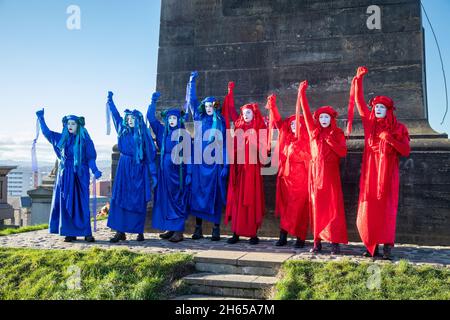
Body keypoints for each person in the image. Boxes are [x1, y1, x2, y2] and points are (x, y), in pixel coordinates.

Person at [348, 67, 411, 260]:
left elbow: (405, 150)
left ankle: (386, 247)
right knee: (369, 208)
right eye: (376, 107)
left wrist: (390, 139)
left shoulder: (399, 128)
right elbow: (359, 102)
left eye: (382, 108)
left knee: (386, 208)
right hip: (370, 170)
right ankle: (370, 245)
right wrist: (358, 80)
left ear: (389, 110)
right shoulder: (370, 122)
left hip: (388, 173)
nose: (378, 110)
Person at [35, 109, 102, 242]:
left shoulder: (85, 141)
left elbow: (90, 158)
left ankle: (86, 232)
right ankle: (69, 232)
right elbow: (47, 133)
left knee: (81, 203)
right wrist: (41, 119)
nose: (70, 126)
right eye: (68, 124)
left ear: (78, 125)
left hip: (80, 174)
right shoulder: (61, 138)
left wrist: (95, 170)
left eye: (73, 123)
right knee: (66, 203)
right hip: (65, 175)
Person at [298, 80, 348, 254]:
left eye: (327, 117)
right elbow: (304, 112)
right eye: (321, 117)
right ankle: (317, 242)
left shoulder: (337, 133)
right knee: (316, 208)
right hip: (316, 176)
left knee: (333, 208)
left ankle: (334, 242)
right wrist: (302, 93)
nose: (324, 120)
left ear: (332, 119)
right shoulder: (314, 132)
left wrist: (330, 141)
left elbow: (342, 152)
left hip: (331, 176)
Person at [106, 92, 157, 243]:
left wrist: (153, 174)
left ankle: (139, 231)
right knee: (120, 198)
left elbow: (149, 154)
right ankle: (119, 231)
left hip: (138, 169)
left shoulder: (143, 135)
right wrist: (110, 102)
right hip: (123, 168)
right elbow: (115, 116)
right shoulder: (122, 130)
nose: (129, 121)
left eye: (132, 119)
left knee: (137, 199)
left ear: (138, 120)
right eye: (128, 119)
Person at [185, 71, 229, 241]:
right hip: (199, 163)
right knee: (198, 195)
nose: (209, 108)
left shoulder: (221, 122)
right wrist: (192, 83)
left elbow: (225, 143)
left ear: (215, 107)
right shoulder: (199, 117)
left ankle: (216, 228)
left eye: (212, 106)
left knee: (215, 195)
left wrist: (226, 164)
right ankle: (198, 228)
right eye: (207, 106)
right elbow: (192, 101)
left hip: (215, 163)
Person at [265, 94, 311, 248]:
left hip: (301, 179)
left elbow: (309, 158)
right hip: (286, 178)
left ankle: (300, 237)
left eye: (296, 124)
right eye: (291, 125)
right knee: (285, 207)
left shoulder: (305, 141)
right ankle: (283, 235)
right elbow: (278, 121)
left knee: (299, 208)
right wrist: (272, 106)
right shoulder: (286, 138)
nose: (293, 127)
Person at [222, 93, 267, 245]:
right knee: (237, 200)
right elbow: (230, 110)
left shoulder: (259, 126)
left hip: (252, 171)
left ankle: (253, 234)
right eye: (244, 113)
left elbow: (263, 150)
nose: (246, 115)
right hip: (239, 170)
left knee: (251, 200)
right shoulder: (239, 126)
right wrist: (230, 93)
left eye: (249, 112)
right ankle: (236, 232)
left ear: (254, 114)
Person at [147, 93, 191, 243]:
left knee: (177, 199)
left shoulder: (183, 134)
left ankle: (178, 231)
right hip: (164, 170)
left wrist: (189, 173)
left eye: (174, 118)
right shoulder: (161, 131)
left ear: (178, 120)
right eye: (170, 118)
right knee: (165, 198)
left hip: (177, 171)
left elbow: (189, 155)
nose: (172, 121)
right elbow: (150, 118)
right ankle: (170, 228)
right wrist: (153, 102)